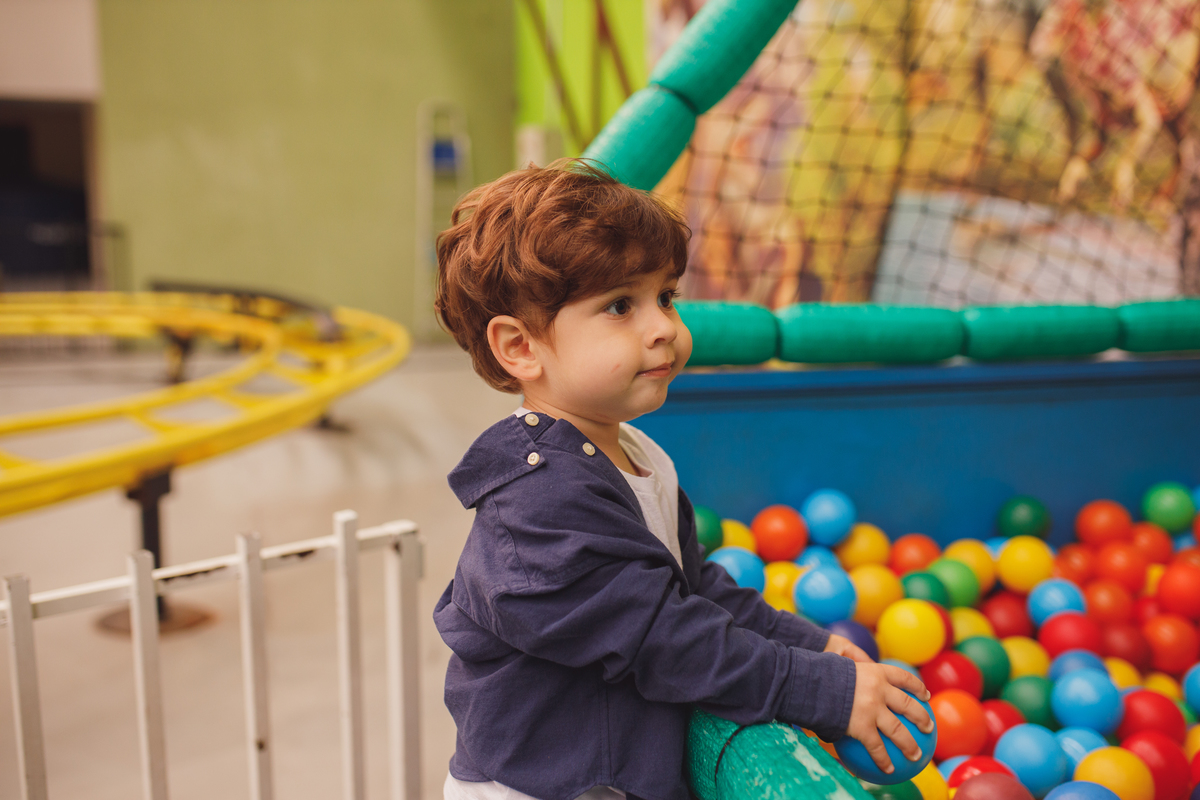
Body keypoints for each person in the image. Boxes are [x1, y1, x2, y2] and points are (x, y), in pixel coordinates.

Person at [432, 159, 932, 800]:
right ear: (520, 347)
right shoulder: (539, 503)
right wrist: (817, 690)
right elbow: (666, 640)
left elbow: (693, 590)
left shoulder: (635, 453)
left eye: (665, 297)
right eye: (621, 305)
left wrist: (810, 645)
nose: (664, 326)